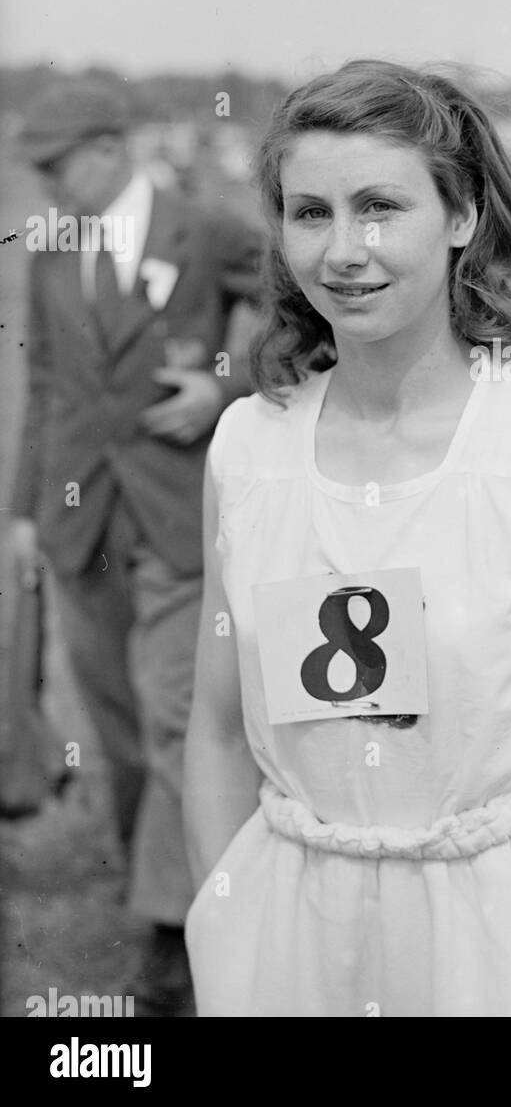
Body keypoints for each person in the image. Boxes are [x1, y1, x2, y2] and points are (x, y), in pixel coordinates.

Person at [183, 60, 511, 1017]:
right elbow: (215, 729)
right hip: (293, 942)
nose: (344, 250)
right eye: (310, 212)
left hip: (503, 940)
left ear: (460, 217)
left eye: (380, 207)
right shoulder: (247, 448)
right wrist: (224, 922)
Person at [8, 80, 264, 1015]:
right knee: (117, 731)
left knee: (173, 721)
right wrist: (26, 514)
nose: (41, 183)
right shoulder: (49, 250)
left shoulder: (204, 227)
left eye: (54, 162)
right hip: (80, 522)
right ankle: (163, 894)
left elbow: (295, 297)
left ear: (111, 148)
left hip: (173, 511)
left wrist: (225, 384)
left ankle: (172, 940)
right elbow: (42, 385)